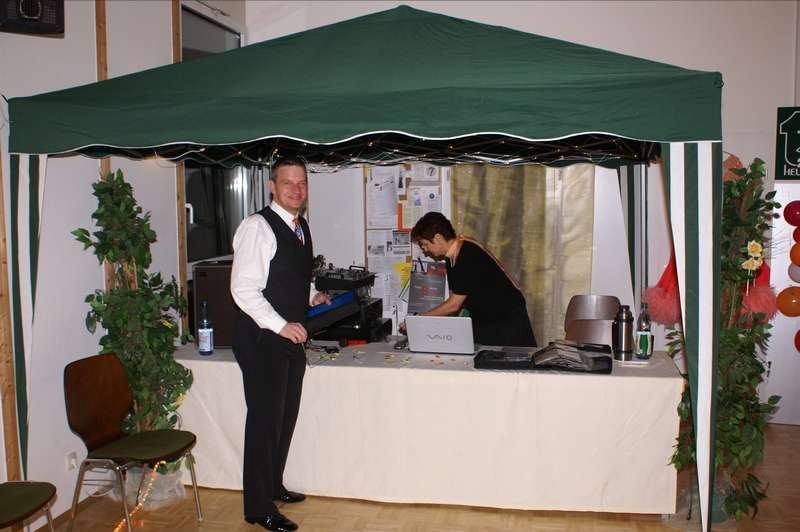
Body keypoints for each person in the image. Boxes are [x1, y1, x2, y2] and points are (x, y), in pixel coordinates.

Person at [230, 156, 331, 532]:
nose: (296, 189)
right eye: (287, 182)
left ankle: (272, 485)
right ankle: (258, 508)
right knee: (264, 422)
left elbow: (291, 276)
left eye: (301, 182)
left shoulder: (300, 226)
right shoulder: (257, 227)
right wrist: (280, 325)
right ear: (271, 186)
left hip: (289, 336)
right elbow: (243, 289)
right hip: (262, 339)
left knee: (284, 417)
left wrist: (312, 296)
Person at [409, 211, 536, 347]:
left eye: (424, 244)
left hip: (507, 321)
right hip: (486, 321)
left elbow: (454, 305)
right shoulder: (451, 258)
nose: (424, 249)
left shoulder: (467, 254)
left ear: (438, 238)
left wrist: (420, 319)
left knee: (513, 360)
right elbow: (455, 301)